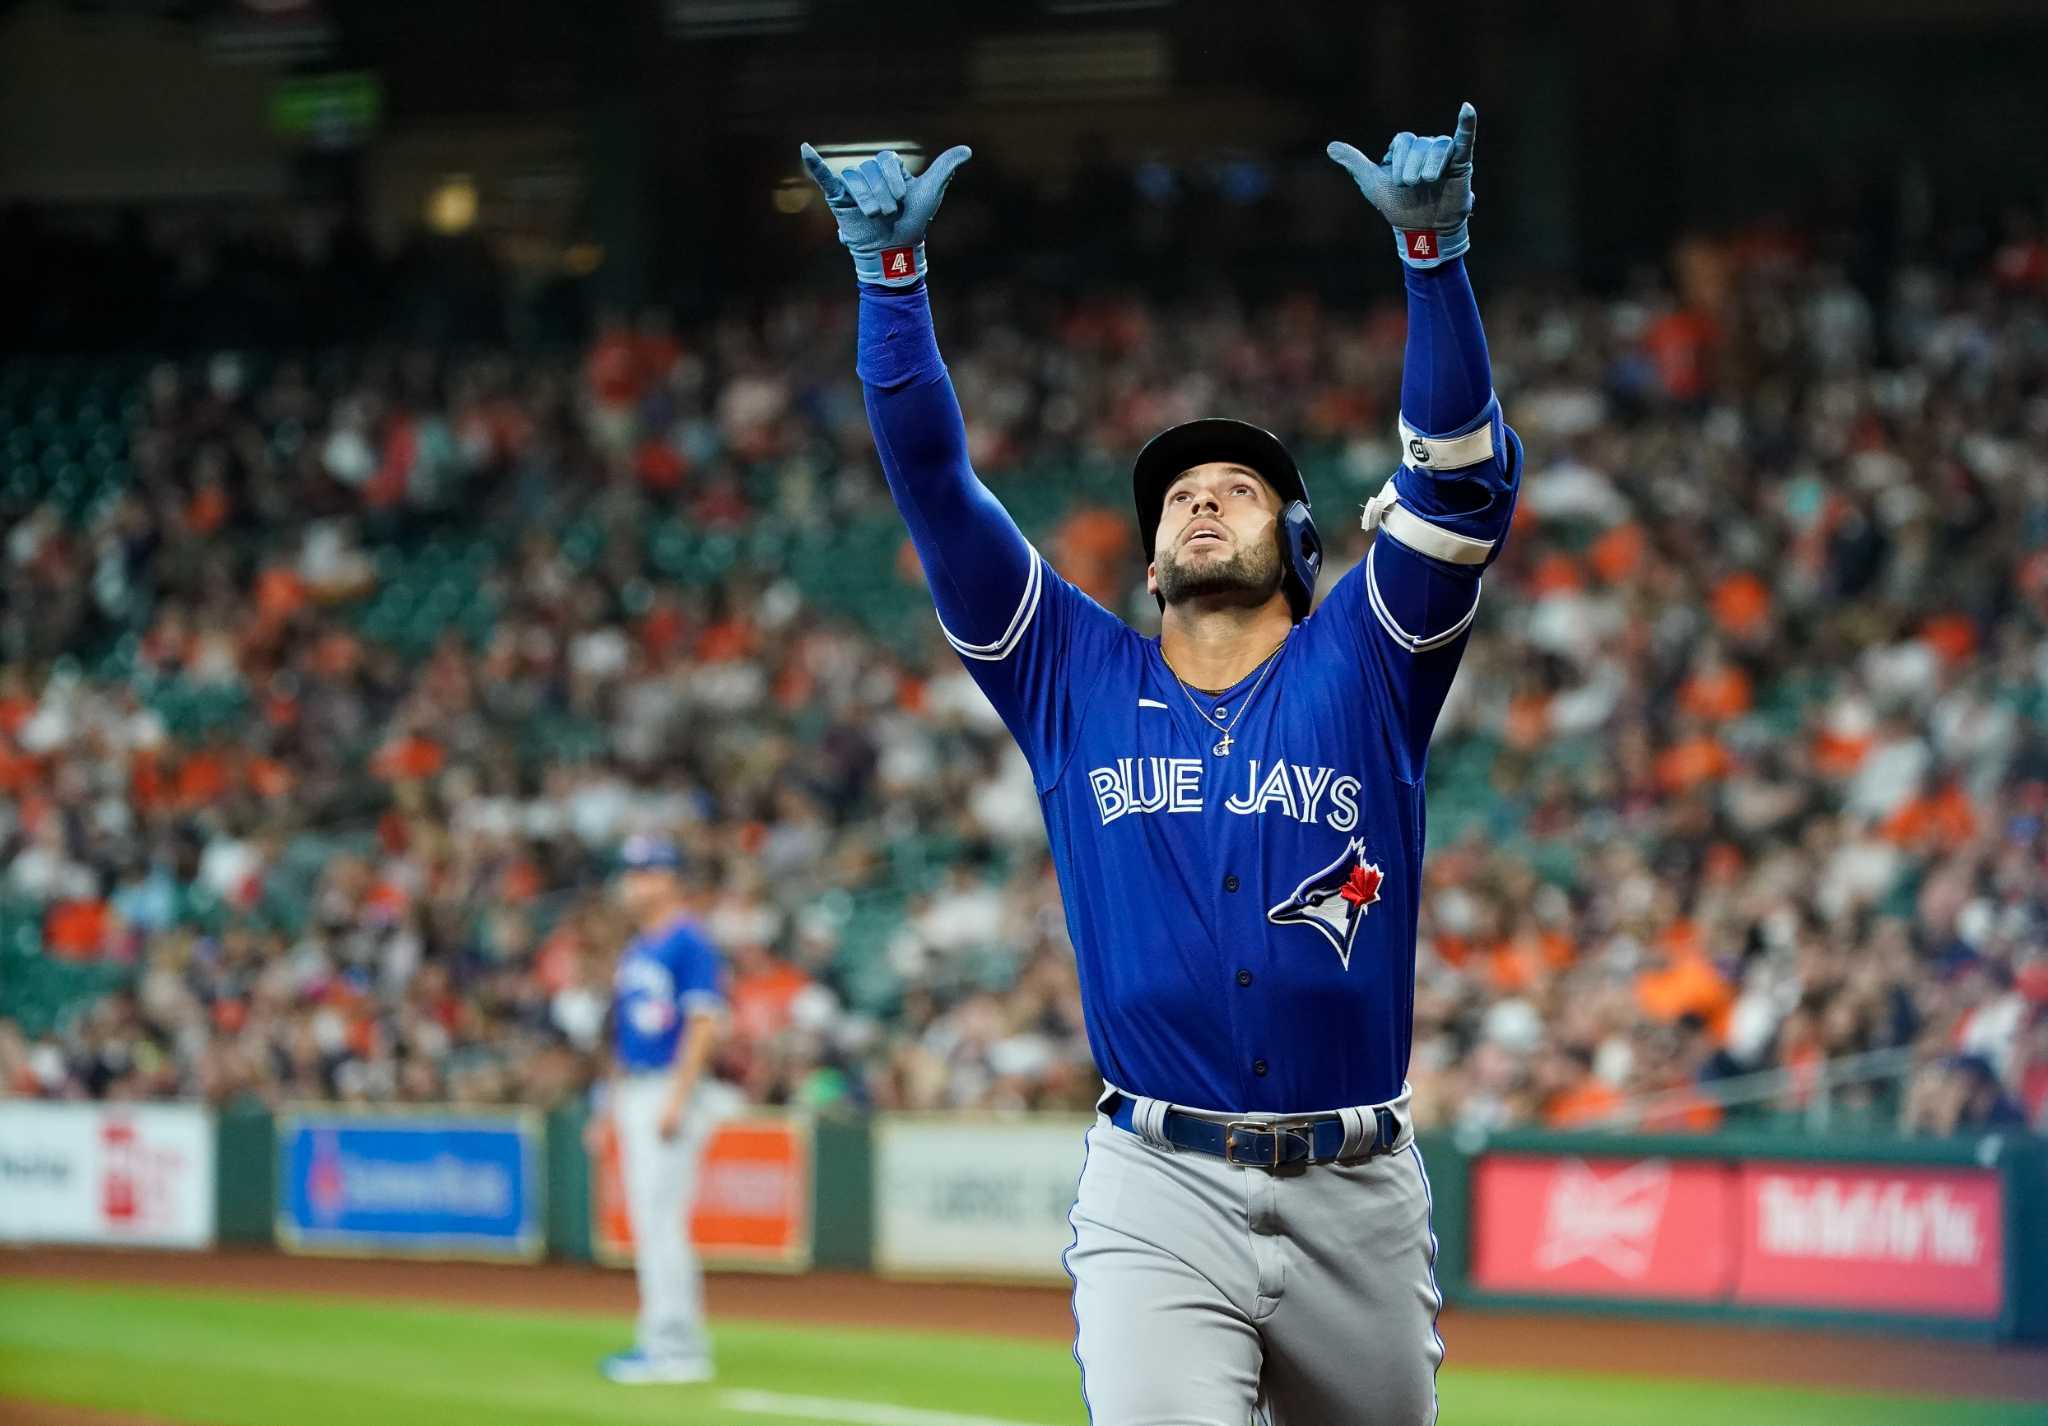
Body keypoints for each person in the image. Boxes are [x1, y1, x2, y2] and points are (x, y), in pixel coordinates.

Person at [803, 102, 1519, 1425]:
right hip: (1158, 1184)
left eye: (1237, 487)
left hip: (1359, 1188)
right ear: (1147, 563)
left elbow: (1462, 485)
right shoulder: (1073, 675)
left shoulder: (1366, 659)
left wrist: (1434, 260)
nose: (1199, 495)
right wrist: (889, 288)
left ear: (1304, 550)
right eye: (1179, 492)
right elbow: (935, 485)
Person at [587, 834, 725, 1384]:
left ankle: (675, 1347)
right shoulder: (640, 945)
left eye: (648, 871)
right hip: (637, 1088)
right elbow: (625, 1038)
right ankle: (666, 1339)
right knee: (651, 1221)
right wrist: (606, 1107)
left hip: (669, 1088)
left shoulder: (689, 941)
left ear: (671, 878)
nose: (635, 881)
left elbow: (703, 1022)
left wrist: (677, 1098)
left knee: (662, 1221)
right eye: (633, 871)